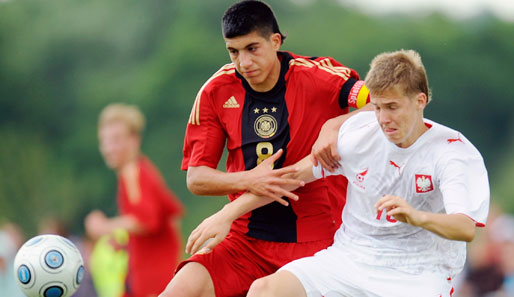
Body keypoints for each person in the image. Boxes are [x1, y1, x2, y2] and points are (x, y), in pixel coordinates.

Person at [233, 49, 489, 297]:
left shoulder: (453, 152)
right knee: (265, 291)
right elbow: (291, 177)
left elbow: (465, 228)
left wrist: (415, 216)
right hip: (350, 259)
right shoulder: (359, 135)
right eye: (377, 107)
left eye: (392, 107)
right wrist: (226, 216)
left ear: (420, 100)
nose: (383, 119)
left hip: (419, 272)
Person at [159, 1, 371, 296]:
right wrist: (248, 180)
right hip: (244, 243)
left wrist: (334, 125)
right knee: (179, 291)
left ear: (275, 41)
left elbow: (382, 104)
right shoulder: (214, 91)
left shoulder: (321, 76)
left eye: (252, 48)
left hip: (319, 244)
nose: (243, 62)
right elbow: (196, 178)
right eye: (233, 51)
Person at [85, 103, 184, 297]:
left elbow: (147, 219)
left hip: (153, 280)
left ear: (134, 140)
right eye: (104, 141)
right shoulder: (139, 171)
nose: (108, 148)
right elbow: (170, 218)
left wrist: (104, 226)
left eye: (116, 140)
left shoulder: (134, 173)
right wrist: (127, 244)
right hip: (147, 275)